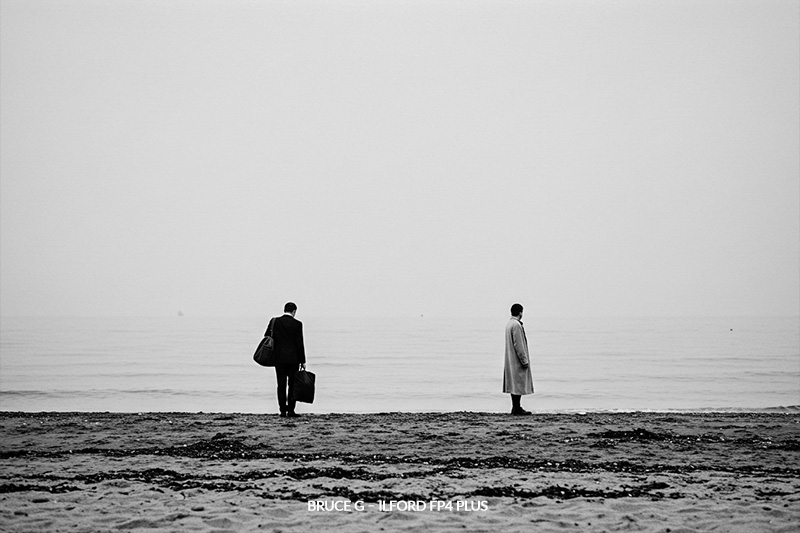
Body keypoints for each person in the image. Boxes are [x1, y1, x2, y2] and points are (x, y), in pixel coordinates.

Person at [268, 302, 306, 417]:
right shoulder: (297, 324)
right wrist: (303, 360)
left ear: (284, 310)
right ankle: (291, 410)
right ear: (294, 311)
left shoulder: (274, 322)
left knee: (281, 384)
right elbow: (300, 343)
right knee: (292, 385)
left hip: (278, 359)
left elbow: (268, 337)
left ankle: (282, 411)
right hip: (293, 359)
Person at [503, 303, 534, 415]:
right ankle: (517, 407)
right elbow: (519, 345)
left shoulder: (509, 324)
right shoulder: (516, 325)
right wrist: (524, 360)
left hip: (510, 359)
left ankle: (515, 407)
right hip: (516, 359)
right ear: (520, 312)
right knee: (518, 383)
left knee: (514, 384)